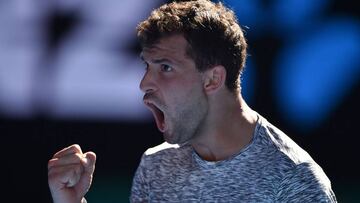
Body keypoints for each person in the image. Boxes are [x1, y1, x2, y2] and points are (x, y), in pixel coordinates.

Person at [48, 0, 337, 202]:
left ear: (212, 79)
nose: (144, 83)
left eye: (165, 67)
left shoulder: (295, 180)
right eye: (147, 66)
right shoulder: (155, 166)